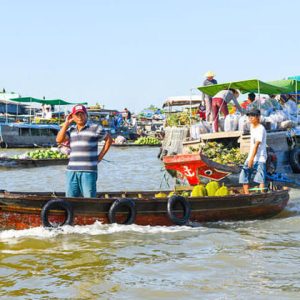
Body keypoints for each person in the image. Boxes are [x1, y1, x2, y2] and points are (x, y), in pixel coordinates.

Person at [56, 104, 112, 198]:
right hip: (72, 171)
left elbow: (109, 140)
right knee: (70, 199)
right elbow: (59, 140)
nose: (80, 117)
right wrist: (66, 123)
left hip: (88, 171)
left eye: (82, 114)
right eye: (77, 114)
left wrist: (99, 157)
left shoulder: (95, 128)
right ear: (73, 116)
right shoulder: (71, 130)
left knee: (89, 199)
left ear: (86, 115)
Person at [239, 109, 267, 194]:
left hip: (260, 157)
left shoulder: (261, 129)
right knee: (244, 175)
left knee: (260, 178)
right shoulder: (252, 127)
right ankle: (247, 194)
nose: (250, 118)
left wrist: (251, 159)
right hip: (251, 156)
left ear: (258, 117)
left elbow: (256, 145)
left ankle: (262, 195)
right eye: (249, 116)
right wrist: (250, 158)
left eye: (253, 116)